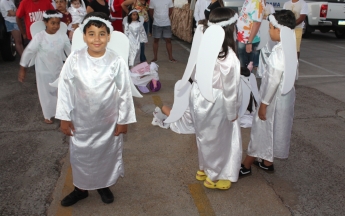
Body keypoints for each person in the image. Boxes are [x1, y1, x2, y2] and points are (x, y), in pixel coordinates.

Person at [152, 8, 242, 190]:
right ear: (231, 29)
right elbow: (231, 90)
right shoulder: (229, 58)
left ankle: (204, 168)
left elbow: (193, 72)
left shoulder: (204, 48)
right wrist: (232, 113)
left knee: (203, 136)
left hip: (199, 97)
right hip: (217, 101)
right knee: (221, 139)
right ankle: (215, 175)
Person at [56, 12, 136, 207]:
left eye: (101, 34)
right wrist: (64, 117)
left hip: (107, 119)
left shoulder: (116, 61)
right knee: (80, 154)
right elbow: (64, 88)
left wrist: (123, 120)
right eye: (91, 34)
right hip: (81, 119)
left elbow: (124, 91)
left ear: (109, 36)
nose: (97, 39)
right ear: (84, 36)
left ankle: (103, 184)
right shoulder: (74, 59)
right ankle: (81, 189)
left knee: (105, 152)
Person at [239, 10, 297, 177]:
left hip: (272, 99)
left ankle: (246, 165)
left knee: (261, 129)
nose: (269, 31)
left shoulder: (279, 52)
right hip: (284, 99)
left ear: (279, 30)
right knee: (275, 128)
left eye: (271, 27)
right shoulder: (289, 47)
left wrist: (263, 105)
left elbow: (273, 81)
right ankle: (267, 162)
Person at [18, 10, 71, 124]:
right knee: (45, 92)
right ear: (46, 23)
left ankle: (61, 112)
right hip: (43, 70)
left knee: (60, 91)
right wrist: (23, 68)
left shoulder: (62, 36)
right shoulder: (40, 36)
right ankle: (48, 114)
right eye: (53, 23)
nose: (56, 26)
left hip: (58, 68)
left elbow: (70, 51)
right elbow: (29, 52)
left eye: (58, 23)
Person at [236, 0, 265, 70]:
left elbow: (257, 23)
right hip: (242, 38)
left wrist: (249, 42)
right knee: (242, 66)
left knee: (245, 69)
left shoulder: (257, 2)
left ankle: (246, 80)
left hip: (248, 40)